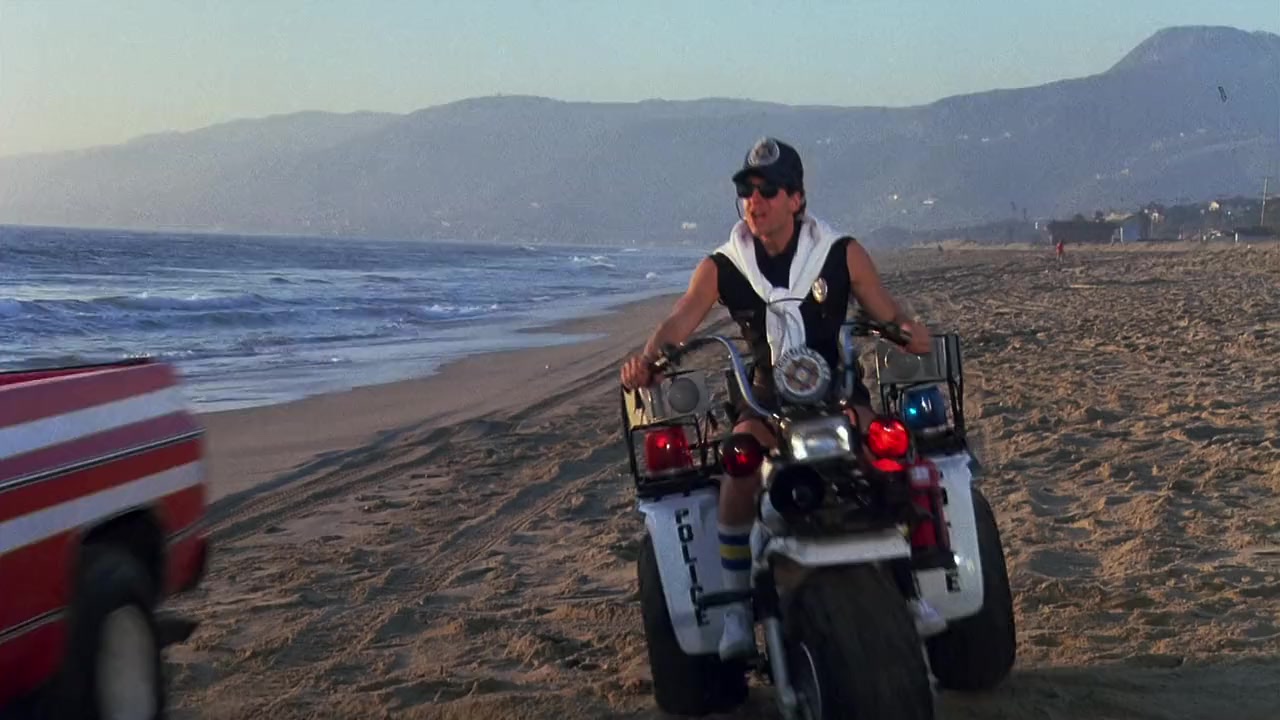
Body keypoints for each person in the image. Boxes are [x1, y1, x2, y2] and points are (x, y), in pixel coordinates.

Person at [619, 137, 937, 659]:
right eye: (747, 191)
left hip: (838, 393)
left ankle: (910, 589)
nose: (755, 201)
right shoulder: (724, 264)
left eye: (768, 190)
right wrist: (648, 359)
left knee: (887, 450)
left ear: (797, 198)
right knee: (739, 462)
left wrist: (908, 330)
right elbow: (681, 318)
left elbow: (886, 309)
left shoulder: (840, 252)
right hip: (764, 401)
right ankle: (737, 610)